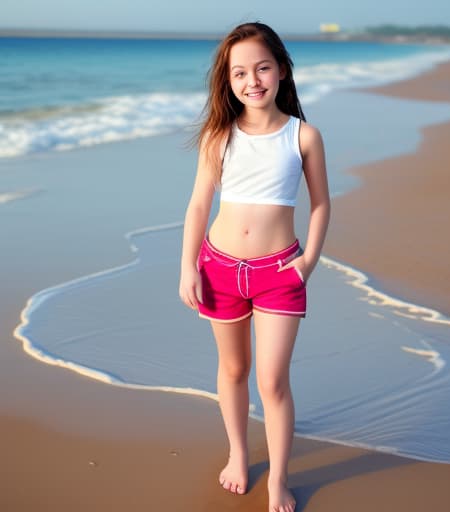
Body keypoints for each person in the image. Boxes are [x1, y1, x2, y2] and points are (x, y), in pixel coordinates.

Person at [179, 22, 330, 512]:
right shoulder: (218, 136)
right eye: (239, 72)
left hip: (279, 274)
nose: (252, 80)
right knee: (234, 368)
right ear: (228, 81)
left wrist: (306, 264)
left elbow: (322, 204)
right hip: (219, 267)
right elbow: (199, 205)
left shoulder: (303, 136)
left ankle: (279, 479)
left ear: (282, 70)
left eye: (262, 68)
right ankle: (239, 454)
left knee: (272, 381)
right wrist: (188, 266)